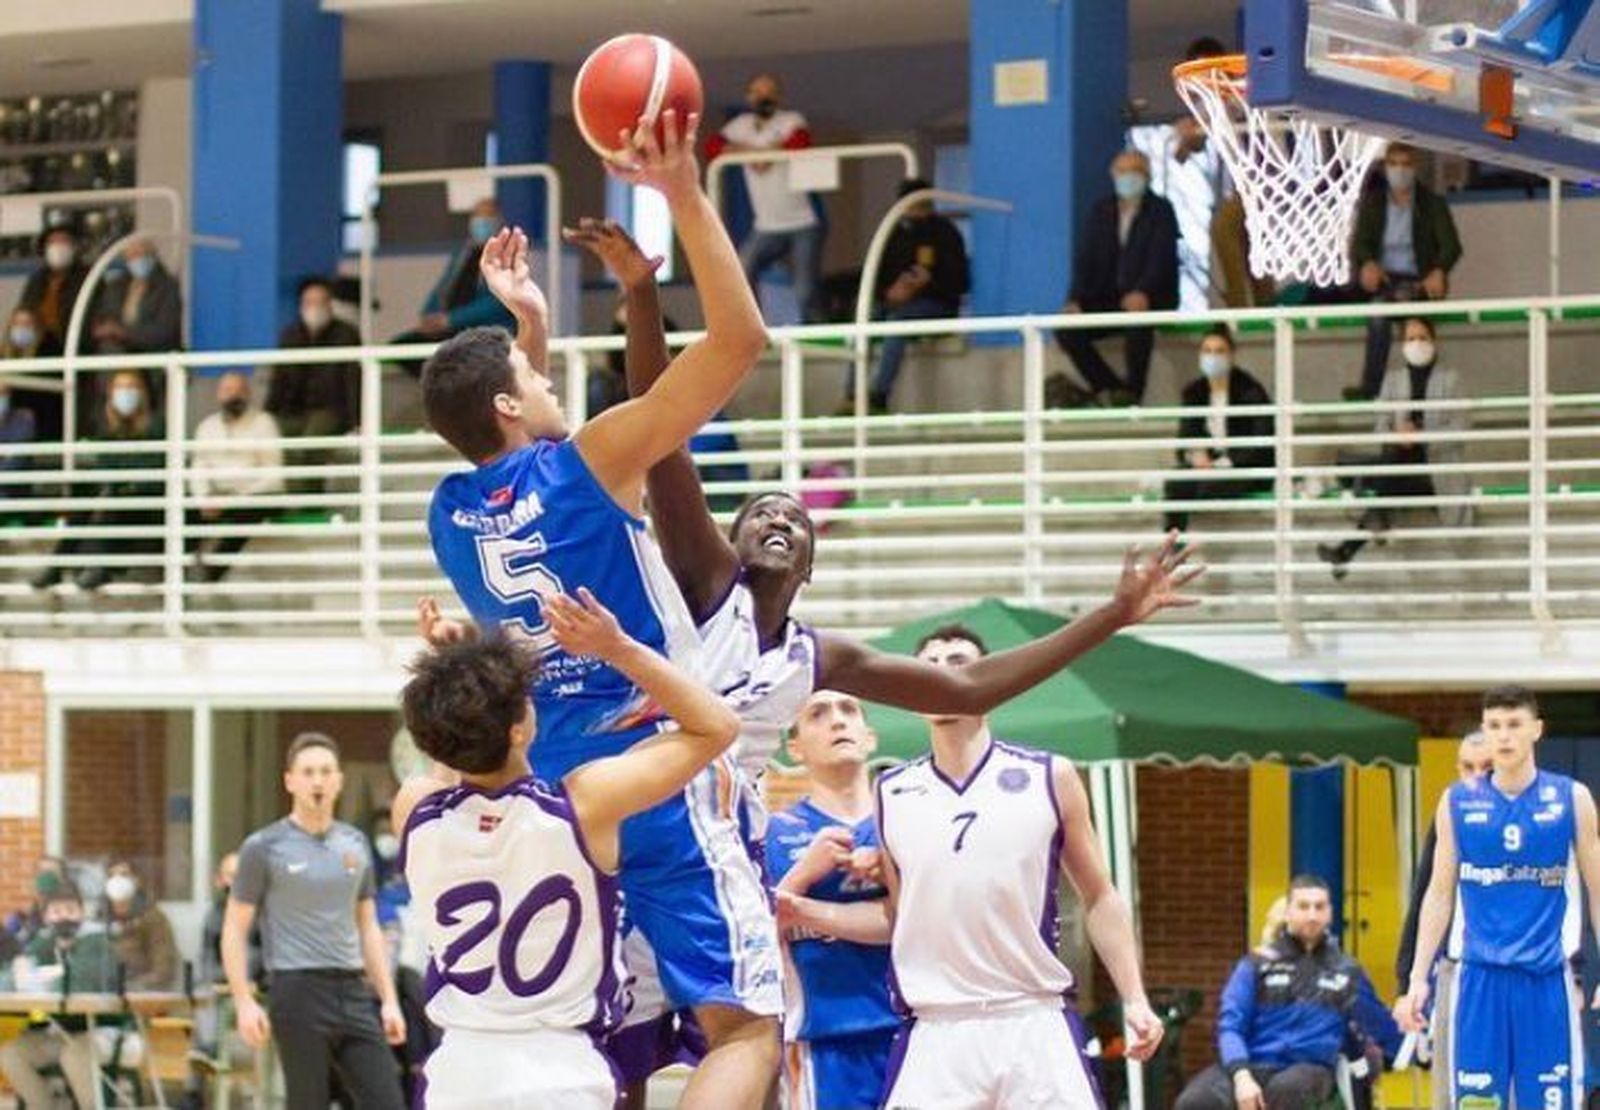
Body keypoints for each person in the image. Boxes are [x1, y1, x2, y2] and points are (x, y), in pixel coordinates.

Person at [420, 110, 776, 1108]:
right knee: (741, 1027)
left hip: (562, 787)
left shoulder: (447, 516)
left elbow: (521, 449)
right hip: (659, 752)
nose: (544, 377)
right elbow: (739, 340)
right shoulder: (592, 465)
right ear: (505, 405)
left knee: (596, 1043)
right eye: (535, 373)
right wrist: (684, 194)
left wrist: (525, 326)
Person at [393, 589, 740, 1108]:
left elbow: (451, 755)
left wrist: (455, 676)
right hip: (557, 1072)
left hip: (458, 1075)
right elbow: (718, 725)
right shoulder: (582, 807)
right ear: (518, 730)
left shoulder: (414, 809)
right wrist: (616, 646)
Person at [863, 625, 1163, 1104]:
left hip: (1032, 1019)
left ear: (993, 683)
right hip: (938, 1027)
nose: (942, 675)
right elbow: (904, 915)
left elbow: (1100, 895)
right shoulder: (888, 792)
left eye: (959, 663)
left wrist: (1134, 996)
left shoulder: (1051, 776)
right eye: (928, 666)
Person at [1395, 685, 1600, 1110]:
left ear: (1536, 730)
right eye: (1494, 726)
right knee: (1476, 1104)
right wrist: (1417, 978)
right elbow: (1437, 895)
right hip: (1477, 980)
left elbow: (1598, 890)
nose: (1503, 736)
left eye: (1513, 725)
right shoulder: (1456, 802)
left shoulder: (1571, 799)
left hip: (1545, 980)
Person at [222, 733, 407, 1110]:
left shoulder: (355, 843)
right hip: (296, 989)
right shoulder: (264, 847)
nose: (317, 781)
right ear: (290, 780)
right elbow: (234, 929)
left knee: (387, 1099)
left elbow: (368, 925)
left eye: (325, 772)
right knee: (308, 1102)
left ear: (339, 780)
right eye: (308, 772)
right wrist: (243, 1001)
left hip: (353, 990)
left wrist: (388, 999)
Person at [767, 689, 897, 1110]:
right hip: (823, 1041)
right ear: (794, 748)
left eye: (849, 710)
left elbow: (916, 921)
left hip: (918, 1030)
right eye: (818, 714)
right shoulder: (772, 833)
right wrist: (804, 872)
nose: (838, 721)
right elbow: (754, 938)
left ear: (871, 736)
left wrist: (800, 908)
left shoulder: (904, 821)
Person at [1175, 874, 1396, 1110]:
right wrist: (1241, 1076)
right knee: (1194, 1102)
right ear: (1288, 912)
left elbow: (1381, 1024)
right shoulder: (1255, 964)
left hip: (1308, 1068)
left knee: (1284, 1092)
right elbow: (1230, 1026)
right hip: (1250, 1065)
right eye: (1303, 906)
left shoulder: (1347, 971)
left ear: (1330, 913)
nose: (1312, 915)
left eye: (1319, 907)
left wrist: (1420, 1048)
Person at [1317, 317, 1469, 579]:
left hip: (1434, 468)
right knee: (1391, 467)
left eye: (1422, 337)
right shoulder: (1393, 379)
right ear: (1402, 344)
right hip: (1399, 460)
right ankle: (1362, 533)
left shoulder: (1451, 379)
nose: (1417, 343)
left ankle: (1353, 542)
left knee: (1370, 472)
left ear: (1434, 341)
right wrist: (1398, 434)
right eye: (1410, 338)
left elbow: (1460, 427)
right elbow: (1380, 426)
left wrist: (1421, 436)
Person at [1392, 732, 1492, 1110]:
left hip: (1527, 971)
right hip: (1459, 969)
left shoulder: (1546, 811)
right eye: (1467, 767)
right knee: (1454, 1090)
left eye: (1487, 768)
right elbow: (1425, 899)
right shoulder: (1451, 813)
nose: (1476, 778)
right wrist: (1410, 981)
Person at [1053, 149, 1179, 406]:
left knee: (1139, 323)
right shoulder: (1102, 211)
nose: (1127, 177)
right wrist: (1074, 300)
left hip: (1150, 297)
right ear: (1113, 175)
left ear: (1147, 176)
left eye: (1134, 172)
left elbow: (1161, 258)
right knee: (1067, 331)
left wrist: (1143, 291)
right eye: (1122, 172)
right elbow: (1085, 260)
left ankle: (1134, 393)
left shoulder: (1161, 211)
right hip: (1107, 297)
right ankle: (1112, 389)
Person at [842, 177, 969, 415]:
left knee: (897, 325)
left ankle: (879, 396)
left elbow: (960, 281)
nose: (914, 213)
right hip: (895, 302)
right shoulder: (894, 233)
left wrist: (929, 281)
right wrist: (890, 292)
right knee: (864, 320)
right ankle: (852, 395)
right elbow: (876, 274)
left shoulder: (945, 233)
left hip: (936, 304)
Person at [32, 368, 164, 592]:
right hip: (114, 499)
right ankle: (58, 566)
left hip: (146, 504)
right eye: (120, 388)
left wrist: (119, 485)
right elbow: (104, 468)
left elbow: (153, 470)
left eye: (131, 387)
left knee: (111, 500)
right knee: (84, 499)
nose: (125, 393)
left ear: (142, 393)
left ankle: (97, 566)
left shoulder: (157, 427)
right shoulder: (105, 431)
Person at [706, 73, 822, 322]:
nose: (764, 97)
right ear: (749, 97)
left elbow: (799, 142)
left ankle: (812, 335)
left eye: (769, 92)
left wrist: (763, 155)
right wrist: (754, 153)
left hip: (802, 222)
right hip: (766, 225)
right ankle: (756, 329)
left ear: (778, 96)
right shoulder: (741, 125)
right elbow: (712, 148)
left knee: (804, 289)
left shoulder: (790, 119)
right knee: (742, 268)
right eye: (758, 92)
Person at [1350, 142, 1462, 399]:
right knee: (1378, 317)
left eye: (1406, 164)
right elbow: (1359, 244)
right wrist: (1367, 263)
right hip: (1386, 282)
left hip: (1420, 282)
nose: (1400, 170)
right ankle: (1371, 388)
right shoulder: (1373, 204)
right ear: (1385, 167)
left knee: (1418, 328)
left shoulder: (1432, 204)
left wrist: (1439, 270)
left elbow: (1451, 246)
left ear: (1416, 167)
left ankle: (1424, 391)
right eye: (1394, 164)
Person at [0, 884, 126, 1110]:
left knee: (74, 1054)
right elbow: (15, 978)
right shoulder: (44, 942)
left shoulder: (98, 943)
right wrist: (16, 971)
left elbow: (79, 984)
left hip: (106, 1032)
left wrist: (37, 981)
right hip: (63, 1034)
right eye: (56, 912)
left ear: (82, 912)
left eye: (70, 910)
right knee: (10, 1052)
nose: (63, 917)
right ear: (46, 916)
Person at [1163, 325, 1274, 534]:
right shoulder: (1194, 392)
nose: (1212, 356)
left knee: (1207, 486)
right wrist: (1195, 455)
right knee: (1175, 483)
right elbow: (1184, 439)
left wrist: (1223, 464)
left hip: (1243, 468)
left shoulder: (1251, 391)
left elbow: (1260, 443)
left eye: (1219, 351)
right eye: (1207, 351)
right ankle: (1172, 546)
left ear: (1232, 356)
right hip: (1206, 468)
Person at [391, 197, 516, 368]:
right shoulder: (463, 254)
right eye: (477, 217)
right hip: (452, 330)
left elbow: (498, 301)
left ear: (498, 221)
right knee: (399, 347)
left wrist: (450, 320)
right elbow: (443, 288)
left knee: (454, 357)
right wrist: (428, 316)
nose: (480, 223)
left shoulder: (507, 256)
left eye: (487, 217)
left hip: (485, 332)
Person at [267, 276, 363, 491]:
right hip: (293, 410)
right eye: (309, 303)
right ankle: (293, 502)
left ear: (330, 305)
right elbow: (279, 379)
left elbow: (352, 380)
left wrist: (358, 419)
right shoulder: (290, 336)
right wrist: (267, 414)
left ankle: (311, 500)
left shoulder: (346, 335)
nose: (314, 308)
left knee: (312, 440)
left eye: (320, 302)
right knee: (280, 439)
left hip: (331, 410)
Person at [187, 370, 284, 581]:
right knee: (184, 510)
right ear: (218, 395)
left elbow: (274, 476)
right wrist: (203, 498)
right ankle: (179, 573)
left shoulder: (264, 423)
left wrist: (235, 499)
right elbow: (198, 467)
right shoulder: (207, 427)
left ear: (249, 394)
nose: (234, 396)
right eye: (228, 390)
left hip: (254, 496)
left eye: (239, 390)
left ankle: (213, 571)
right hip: (216, 497)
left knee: (250, 511)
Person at [88, 237, 183, 356]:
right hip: (119, 349)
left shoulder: (168, 287)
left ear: (152, 256)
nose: (136, 260)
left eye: (141, 254)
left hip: (155, 354)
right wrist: (103, 327)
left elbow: (164, 331)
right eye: (131, 256)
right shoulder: (117, 286)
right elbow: (104, 315)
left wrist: (123, 332)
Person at [103, 858, 180, 990]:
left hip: (141, 993)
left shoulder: (153, 918)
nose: (117, 881)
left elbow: (163, 967)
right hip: (103, 993)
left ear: (136, 881)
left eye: (124, 875)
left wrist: (132, 987)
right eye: (112, 876)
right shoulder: (100, 916)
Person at [15, 223, 89, 357]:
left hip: (76, 342)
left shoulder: (87, 277)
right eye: (53, 242)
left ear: (75, 247)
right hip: (39, 342)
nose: (58, 247)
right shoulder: (38, 279)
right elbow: (26, 306)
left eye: (64, 241)